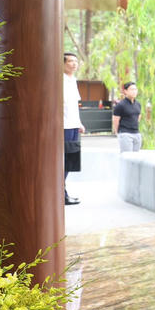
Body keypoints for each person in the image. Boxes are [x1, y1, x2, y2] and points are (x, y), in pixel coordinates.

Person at [63, 52, 84, 206]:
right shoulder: (60, 80)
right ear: (63, 63)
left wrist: (79, 123)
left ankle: (62, 193)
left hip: (73, 125)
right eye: (71, 61)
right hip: (63, 126)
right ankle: (61, 194)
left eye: (76, 61)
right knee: (63, 161)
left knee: (71, 162)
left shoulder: (73, 80)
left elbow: (74, 106)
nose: (74, 64)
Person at [112, 81, 142, 152]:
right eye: (132, 89)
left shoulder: (138, 104)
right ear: (125, 91)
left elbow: (138, 117)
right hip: (125, 134)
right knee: (127, 157)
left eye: (135, 89)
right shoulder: (120, 105)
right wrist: (118, 132)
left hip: (136, 134)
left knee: (136, 158)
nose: (134, 91)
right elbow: (115, 120)